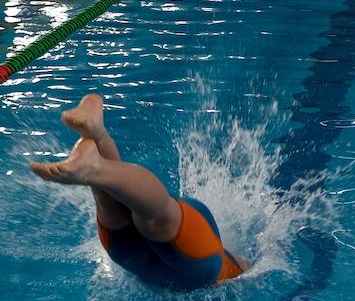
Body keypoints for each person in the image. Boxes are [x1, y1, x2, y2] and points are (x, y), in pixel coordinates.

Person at [32, 94, 248, 290]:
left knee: (118, 206)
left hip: (143, 267)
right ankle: (94, 160)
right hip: (193, 269)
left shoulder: (233, 263)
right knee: (149, 217)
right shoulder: (234, 271)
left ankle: (96, 135)